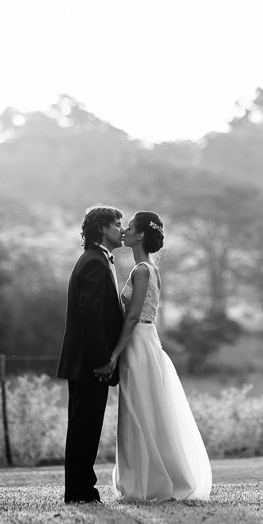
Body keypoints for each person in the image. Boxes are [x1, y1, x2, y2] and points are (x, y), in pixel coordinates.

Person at [107, 211, 212, 502]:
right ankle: (151, 477)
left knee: (139, 411)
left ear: (140, 235)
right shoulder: (152, 269)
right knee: (147, 411)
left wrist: (114, 354)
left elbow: (131, 319)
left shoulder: (141, 270)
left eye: (128, 228)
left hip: (138, 343)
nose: (124, 232)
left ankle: (145, 482)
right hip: (148, 342)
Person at [56, 205, 125, 504]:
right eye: (117, 224)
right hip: (89, 364)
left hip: (86, 363)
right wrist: (101, 361)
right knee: (84, 428)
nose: (122, 229)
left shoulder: (97, 259)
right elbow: (91, 316)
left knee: (85, 427)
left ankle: (81, 488)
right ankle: (80, 491)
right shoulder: (95, 263)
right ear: (102, 229)